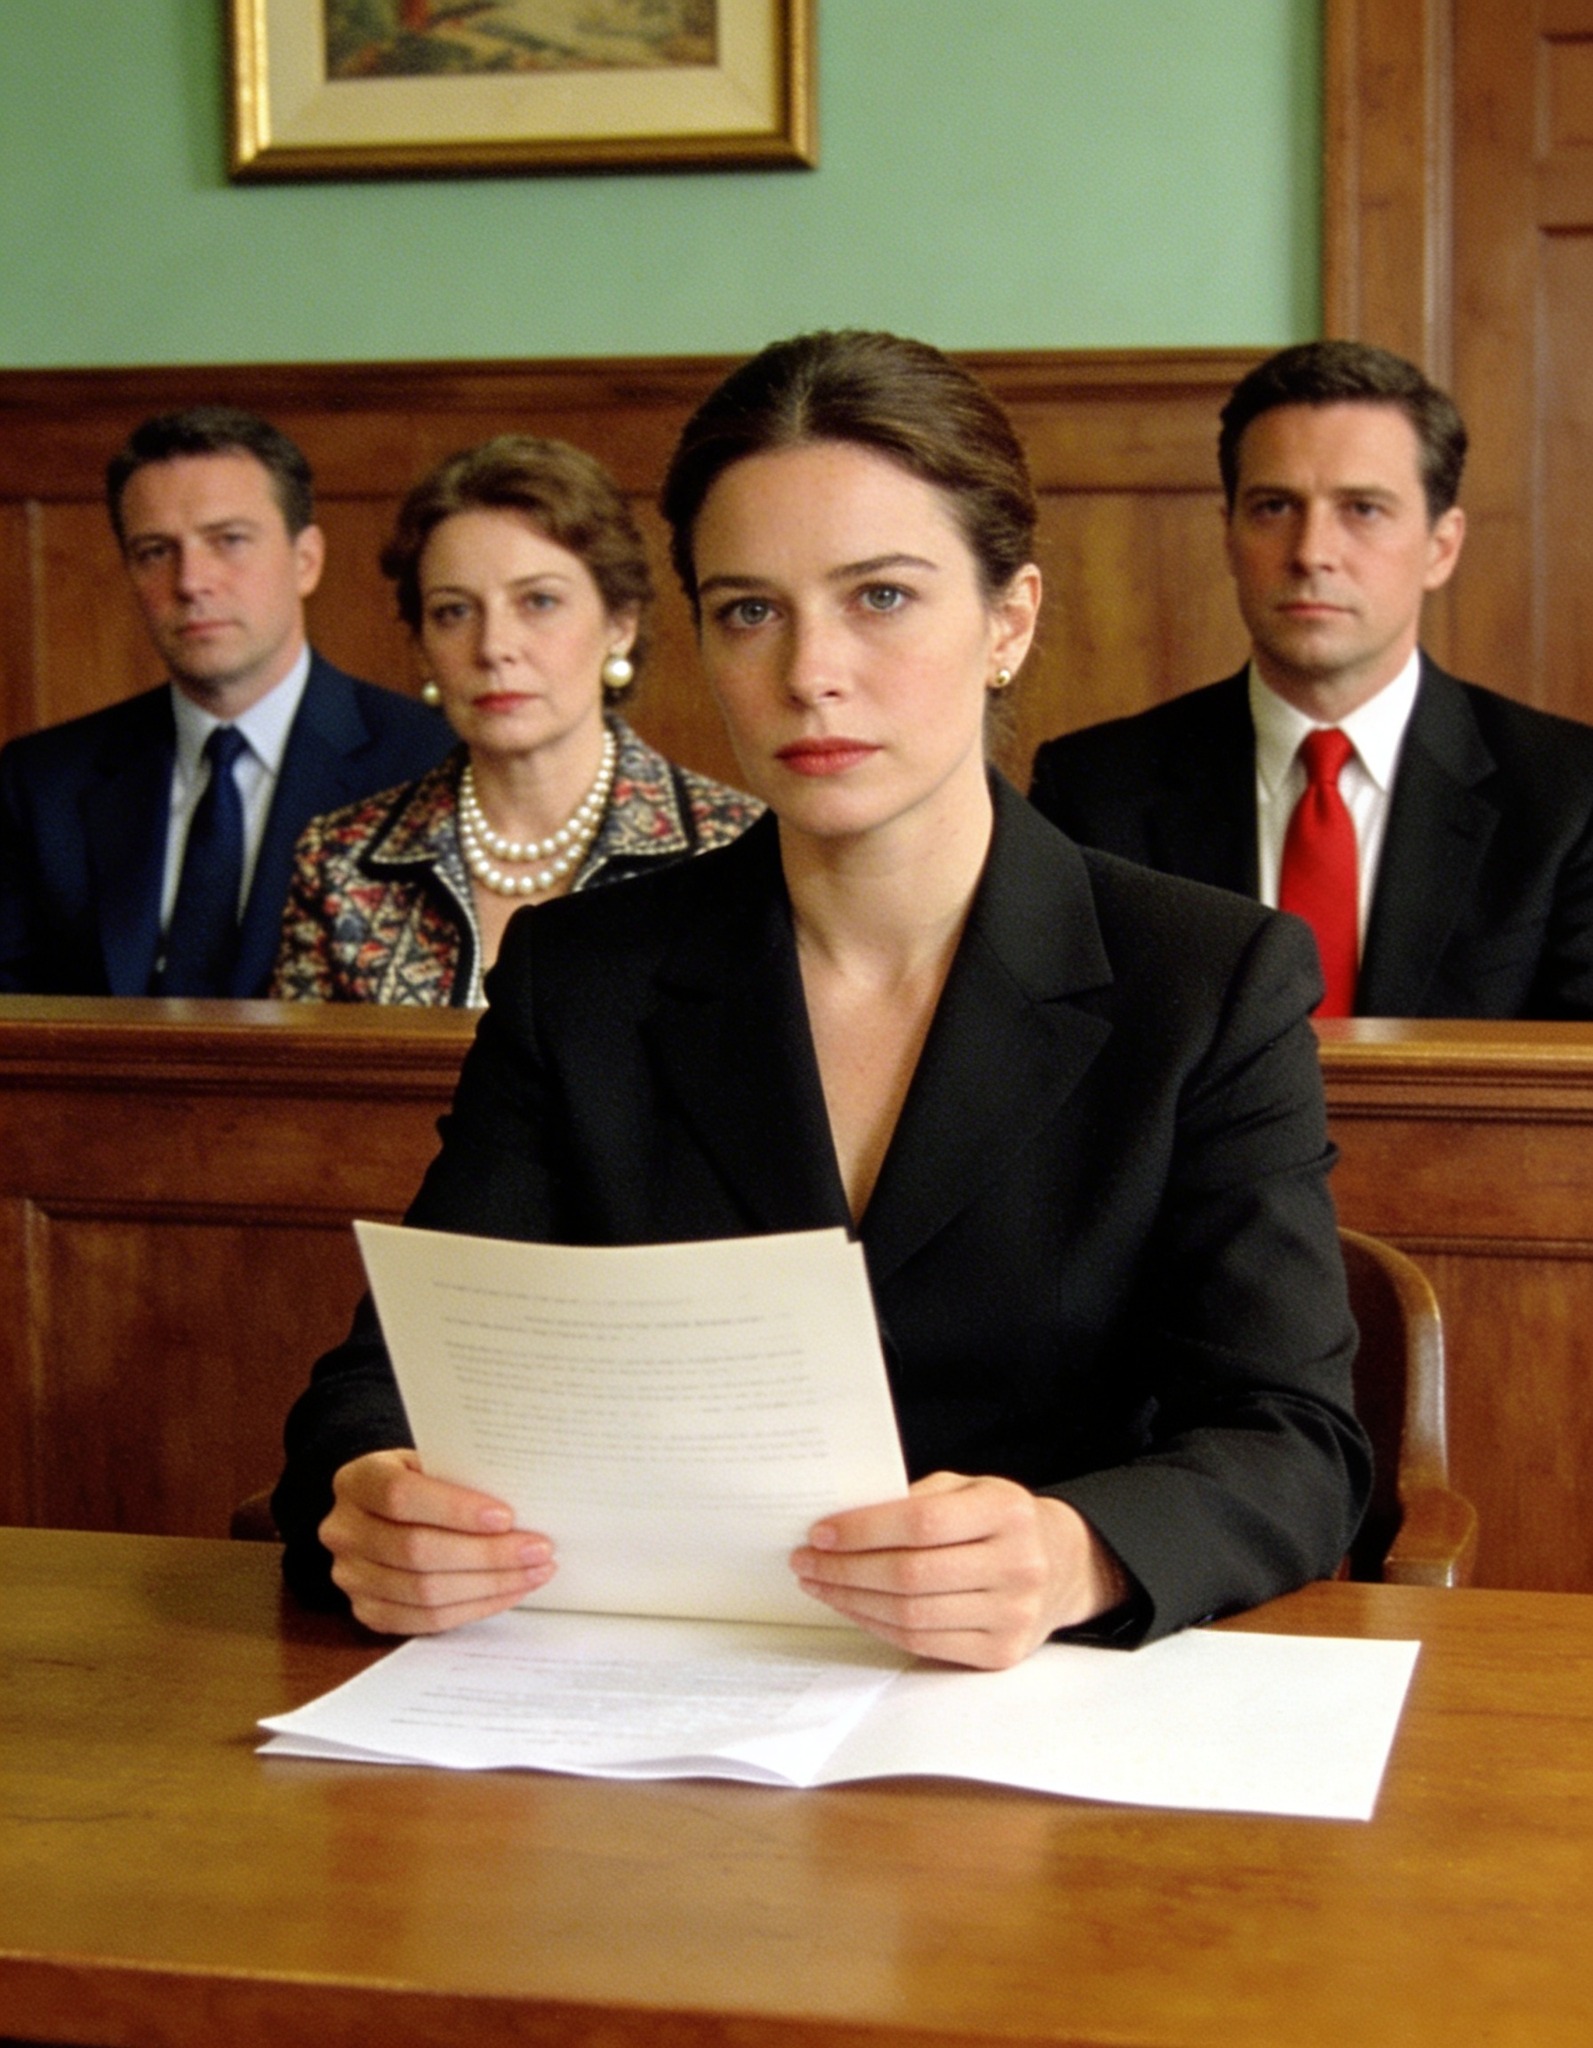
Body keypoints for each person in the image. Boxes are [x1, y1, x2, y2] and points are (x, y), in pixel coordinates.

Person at [273, 330, 1370, 1669]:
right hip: (656, 1698)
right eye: (750, 610)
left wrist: (1074, 1553)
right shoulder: (583, 977)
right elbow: (385, 1382)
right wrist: (373, 1494)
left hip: (1048, 1704)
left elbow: (1293, 1441)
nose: (809, 672)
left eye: (882, 597)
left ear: (1009, 620)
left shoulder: (1204, 978)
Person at [1029, 340, 1593, 1018]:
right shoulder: (1091, 791)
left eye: (1363, 509)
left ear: (1440, 548)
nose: (1311, 552)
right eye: (1274, 507)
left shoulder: (1570, 795)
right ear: (1228, 535)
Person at [271, 435, 760, 1006]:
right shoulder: (342, 861)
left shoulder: (737, 850)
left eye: (539, 602)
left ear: (620, 624)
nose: (493, 647)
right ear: (423, 647)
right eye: (454, 611)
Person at [0, 406, 450, 997]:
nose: (191, 581)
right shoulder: (43, 783)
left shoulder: (426, 761)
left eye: (229, 541)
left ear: (306, 560)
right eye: (155, 551)